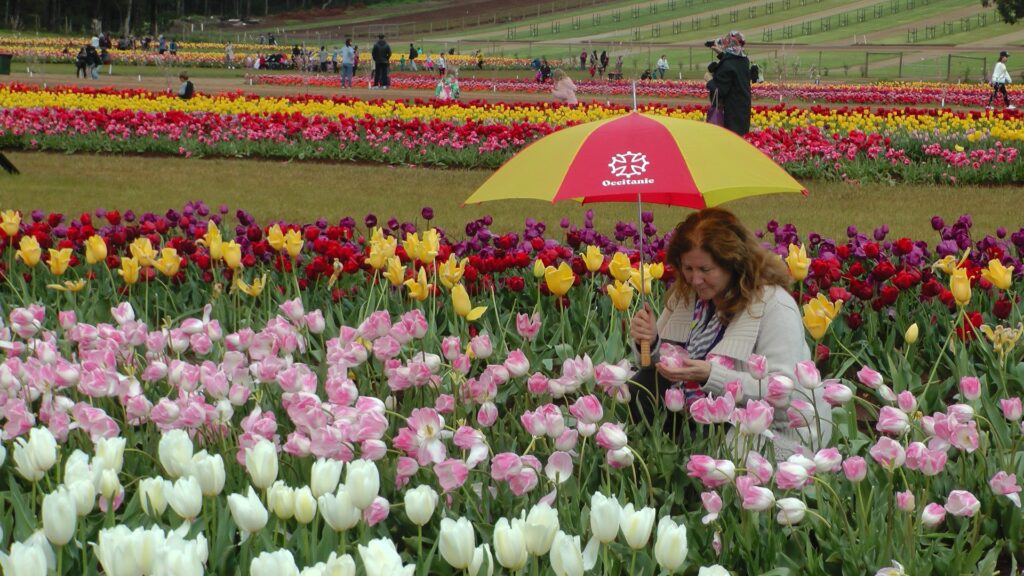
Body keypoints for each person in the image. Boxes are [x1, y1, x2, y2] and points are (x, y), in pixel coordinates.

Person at [629, 208, 832, 458]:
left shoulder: (774, 306)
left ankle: (702, 474)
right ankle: (661, 469)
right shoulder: (686, 297)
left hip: (774, 430)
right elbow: (659, 365)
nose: (694, 279)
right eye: (687, 268)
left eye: (705, 269)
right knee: (642, 387)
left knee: (723, 436)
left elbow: (784, 392)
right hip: (703, 413)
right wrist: (650, 342)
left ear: (734, 263)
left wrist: (713, 377)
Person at [708, 30, 752, 136]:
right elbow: (734, 65)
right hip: (742, 109)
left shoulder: (727, 65)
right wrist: (721, 55)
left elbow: (720, 90)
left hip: (730, 113)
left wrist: (709, 80)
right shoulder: (744, 60)